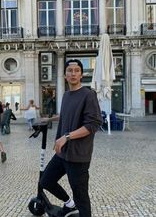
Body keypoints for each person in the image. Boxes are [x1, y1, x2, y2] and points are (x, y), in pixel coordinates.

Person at [39, 59, 102, 217]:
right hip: (62, 153)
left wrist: (66, 137)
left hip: (78, 155)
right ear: (65, 75)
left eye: (76, 70)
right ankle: (69, 204)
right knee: (46, 181)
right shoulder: (66, 95)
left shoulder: (89, 95)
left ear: (81, 74)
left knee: (81, 196)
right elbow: (68, 115)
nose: (73, 73)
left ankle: (77, 206)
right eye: (69, 70)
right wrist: (51, 119)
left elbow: (92, 124)